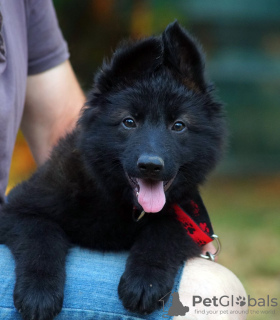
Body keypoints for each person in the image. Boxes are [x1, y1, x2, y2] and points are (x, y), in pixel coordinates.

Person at [0, 1, 247, 319]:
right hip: (38, 268)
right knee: (210, 297)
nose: (152, 154)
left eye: (178, 125)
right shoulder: (62, 186)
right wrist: (40, 269)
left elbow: (59, 121)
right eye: (130, 122)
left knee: (219, 296)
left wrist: (159, 256)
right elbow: (20, 216)